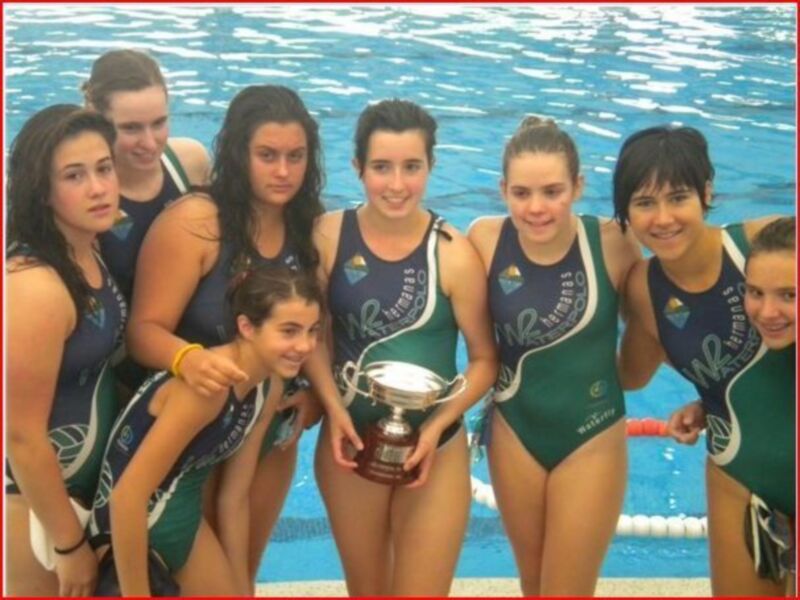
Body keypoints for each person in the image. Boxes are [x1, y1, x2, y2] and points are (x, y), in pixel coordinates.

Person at [125, 84, 325, 587]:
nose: (283, 171)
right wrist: (191, 359)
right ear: (238, 154)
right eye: (267, 156)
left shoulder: (309, 229)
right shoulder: (197, 224)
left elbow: (313, 328)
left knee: (242, 576)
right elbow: (143, 333)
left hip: (268, 438)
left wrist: (317, 396)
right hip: (198, 432)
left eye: (296, 156)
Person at [305, 98, 498, 596]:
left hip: (438, 449)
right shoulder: (329, 236)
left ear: (431, 166)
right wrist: (332, 408)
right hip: (350, 443)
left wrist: (433, 428)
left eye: (411, 167)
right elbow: (311, 339)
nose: (396, 185)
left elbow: (483, 361)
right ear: (358, 168)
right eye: (381, 167)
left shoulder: (454, 255)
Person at [615, 126, 794, 596]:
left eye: (678, 197)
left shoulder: (760, 243)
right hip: (736, 473)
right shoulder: (643, 287)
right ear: (626, 212)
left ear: (707, 193)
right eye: (644, 202)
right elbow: (631, 376)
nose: (663, 218)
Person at [467, 116, 640, 596]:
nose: (536, 208)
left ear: (578, 186)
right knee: (534, 584)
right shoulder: (484, 241)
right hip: (514, 433)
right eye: (521, 193)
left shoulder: (612, 243)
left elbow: (658, 332)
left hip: (591, 433)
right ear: (503, 190)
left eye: (552, 192)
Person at [88, 266, 323, 596]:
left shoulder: (267, 387)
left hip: (183, 522)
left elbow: (233, 497)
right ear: (247, 326)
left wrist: (243, 585)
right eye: (289, 331)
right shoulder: (206, 389)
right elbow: (126, 497)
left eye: (312, 331)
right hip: (133, 529)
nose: (304, 345)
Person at [6, 105, 125, 596]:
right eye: (74, 176)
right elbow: (20, 435)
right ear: (43, 190)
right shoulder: (35, 286)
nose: (98, 187)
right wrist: (68, 545)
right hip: (34, 511)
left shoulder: (86, 248)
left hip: (77, 497)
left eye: (103, 167)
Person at [666, 216, 796, 595]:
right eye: (755, 292)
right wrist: (711, 406)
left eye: (789, 295)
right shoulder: (779, 345)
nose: (767, 312)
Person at [84, 48, 209, 303]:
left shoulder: (189, 163)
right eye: (131, 128)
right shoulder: (82, 194)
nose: (150, 143)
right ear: (95, 118)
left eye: (159, 123)